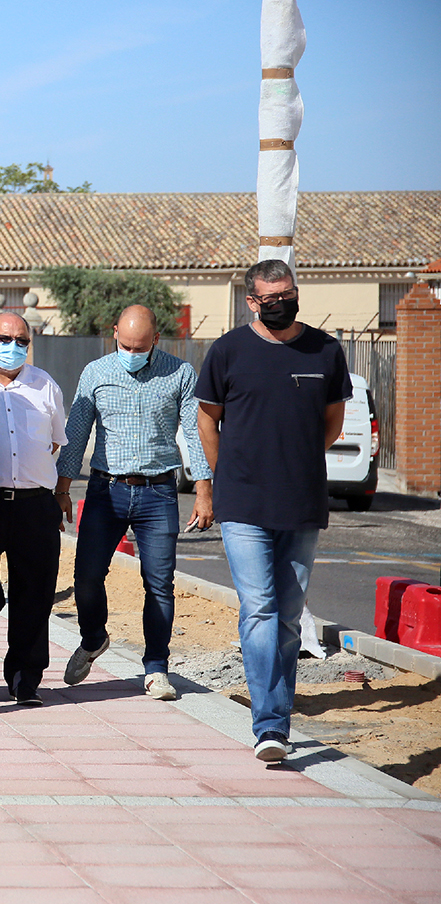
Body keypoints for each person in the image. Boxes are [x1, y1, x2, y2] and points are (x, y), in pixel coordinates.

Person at [196, 260, 350, 762]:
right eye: (270, 297)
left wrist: (297, 462)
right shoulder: (228, 351)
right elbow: (207, 420)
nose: (281, 302)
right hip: (243, 504)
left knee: (286, 616)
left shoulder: (326, 350)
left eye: (288, 293)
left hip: (302, 503)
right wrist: (225, 481)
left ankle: (275, 719)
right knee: (259, 608)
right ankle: (271, 726)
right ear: (252, 302)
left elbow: (331, 422)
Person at [56, 305, 214, 701]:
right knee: (87, 578)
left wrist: (204, 490)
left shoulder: (179, 373)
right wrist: (61, 489)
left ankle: (157, 668)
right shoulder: (96, 372)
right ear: (115, 335)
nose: (131, 352)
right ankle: (93, 638)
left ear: (156, 340)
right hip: (105, 491)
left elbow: (195, 434)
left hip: (158, 493)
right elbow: (76, 433)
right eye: (125, 344)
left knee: (159, 584)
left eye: (140, 346)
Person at [0, 312, 66, 706]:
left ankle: (25, 680)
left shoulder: (45, 385)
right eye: (5, 338)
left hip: (34, 507)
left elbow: (56, 441)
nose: (14, 347)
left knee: (35, 596)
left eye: (22, 340)